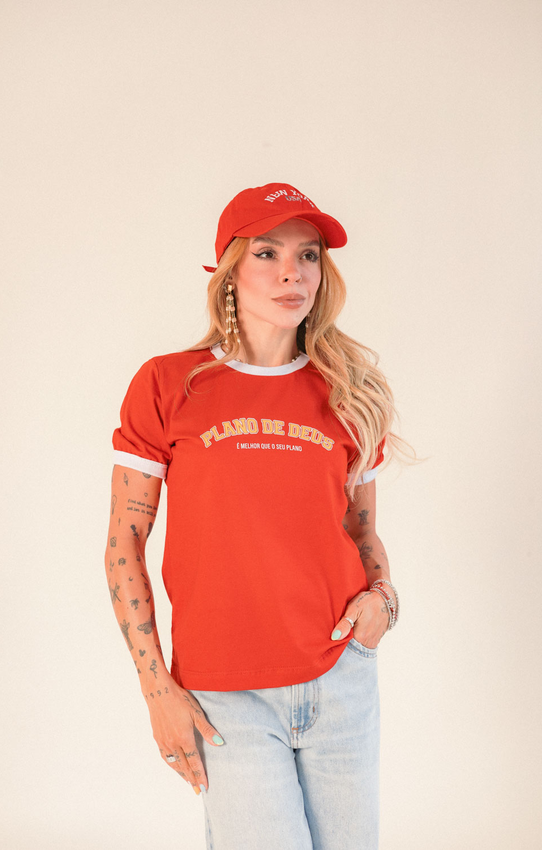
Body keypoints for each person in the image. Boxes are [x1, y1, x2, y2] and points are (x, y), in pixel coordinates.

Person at [104, 182, 407, 850]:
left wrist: (384, 601)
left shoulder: (349, 393)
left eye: (308, 255)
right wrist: (157, 690)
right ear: (230, 271)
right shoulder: (168, 385)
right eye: (267, 253)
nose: (291, 273)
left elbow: (360, 530)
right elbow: (125, 540)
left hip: (340, 677)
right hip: (225, 696)